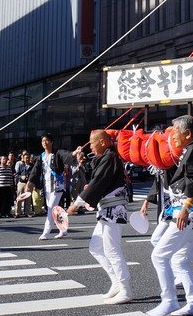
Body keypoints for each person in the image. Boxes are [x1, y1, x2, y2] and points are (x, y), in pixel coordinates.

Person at [147, 115, 193, 316]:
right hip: (191, 213)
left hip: (189, 213)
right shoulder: (191, 150)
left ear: (187, 133)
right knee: (178, 259)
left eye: (175, 130)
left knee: (159, 255)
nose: (171, 134)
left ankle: (169, 301)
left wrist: (185, 207)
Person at [68, 129, 132, 305]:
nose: (90, 146)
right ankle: (117, 283)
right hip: (106, 209)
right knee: (96, 247)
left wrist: (77, 203)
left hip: (113, 208)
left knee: (112, 249)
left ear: (103, 142)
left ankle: (126, 289)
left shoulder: (110, 156)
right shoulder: (105, 157)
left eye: (92, 142)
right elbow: (95, 177)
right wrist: (82, 163)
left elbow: (97, 183)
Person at [25, 135, 75, 240]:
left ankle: (46, 232)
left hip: (57, 185)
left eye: (47, 140)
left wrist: (73, 154)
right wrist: (29, 183)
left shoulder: (57, 153)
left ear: (52, 142)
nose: (45, 142)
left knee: (51, 208)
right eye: (43, 140)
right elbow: (35, 170)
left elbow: (66, 155)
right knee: (54, 209)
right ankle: (63, 230)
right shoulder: (41, 156)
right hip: (46, 186)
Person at [14, 152, 34, 217]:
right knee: (19, 197)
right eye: (26, 158)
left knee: (28, 198)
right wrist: (21, 177)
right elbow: (16, 174)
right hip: (21, 182)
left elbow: (34, 174)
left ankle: (27, 212)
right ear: (23, 158)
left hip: (29, 183)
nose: (27, 159)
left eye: (28, 158)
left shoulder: (32, 166)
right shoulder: (20, 165)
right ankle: (17, 213)